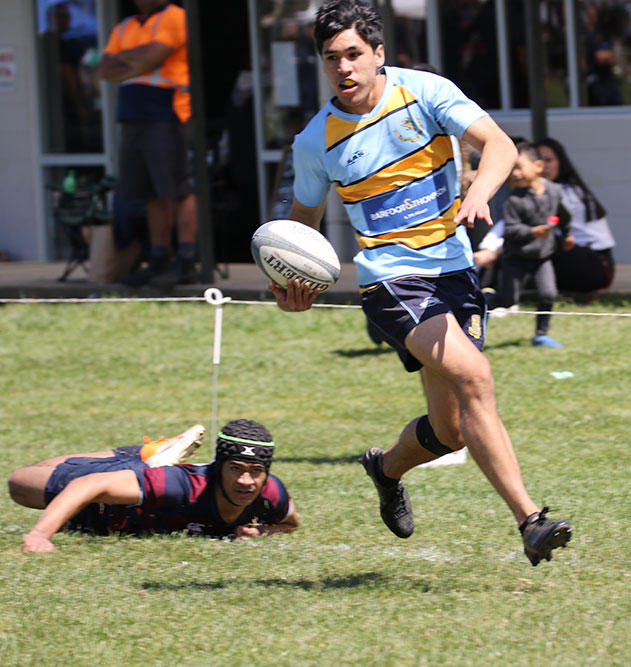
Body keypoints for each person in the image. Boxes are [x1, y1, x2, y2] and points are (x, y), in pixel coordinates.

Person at [270, 0, 571, 566]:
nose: (344, 68)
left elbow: (500, 146)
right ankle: (531, 521)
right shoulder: (315, 141)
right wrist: (293, 285)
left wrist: (479, 191)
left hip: (455, 270)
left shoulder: (426, 92)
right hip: (391, 281)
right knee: (475, 375)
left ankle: (385, 469)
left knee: (450, 429)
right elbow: (301, 229)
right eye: (332, 58)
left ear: (379, 53)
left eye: (354, 54)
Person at [8, 420, 299, 553]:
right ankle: (148, 458)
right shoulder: (180, 486)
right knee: (21, 482)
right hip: (106, 499)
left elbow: (290, 524)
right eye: (235, 469)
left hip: (127, 492)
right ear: (218, 466)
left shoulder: (271, 494)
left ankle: (150, 455)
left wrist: (260, 531)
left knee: (44, 470)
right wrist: (40, 535)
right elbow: (86, 485)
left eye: (255, 471)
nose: (246, 481)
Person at [96, 0, 199, 289]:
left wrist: (126, 60)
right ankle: (158, 260)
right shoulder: (124, 26)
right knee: (151, 193)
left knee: (177, 188)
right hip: (132, 115)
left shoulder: (174, 16)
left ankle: (186, 259)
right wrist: (136, 59)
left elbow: (153, 57)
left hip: (166, 112)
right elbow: (105, 69)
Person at [496, 141, 572, 348]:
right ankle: (482, 302)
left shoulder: (554, 191)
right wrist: (532, 232)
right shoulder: (513, 199)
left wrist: (567, 235)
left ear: (538, 166)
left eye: (519, 167)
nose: (515, 174)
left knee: (548, 294)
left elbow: (564, 215)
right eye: (512, 169)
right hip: (516, 256)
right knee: (507, 299)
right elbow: (510, 229)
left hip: (542, 256)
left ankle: (541, 335)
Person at [536, 137, 616, 302]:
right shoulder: (560, 189)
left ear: (561, 163)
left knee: (535, 238)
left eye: (548, 160)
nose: (543, 166)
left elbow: (536, 224)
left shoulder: (564, 192)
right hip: (583, 261)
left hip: (596, 266)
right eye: (538, 161)